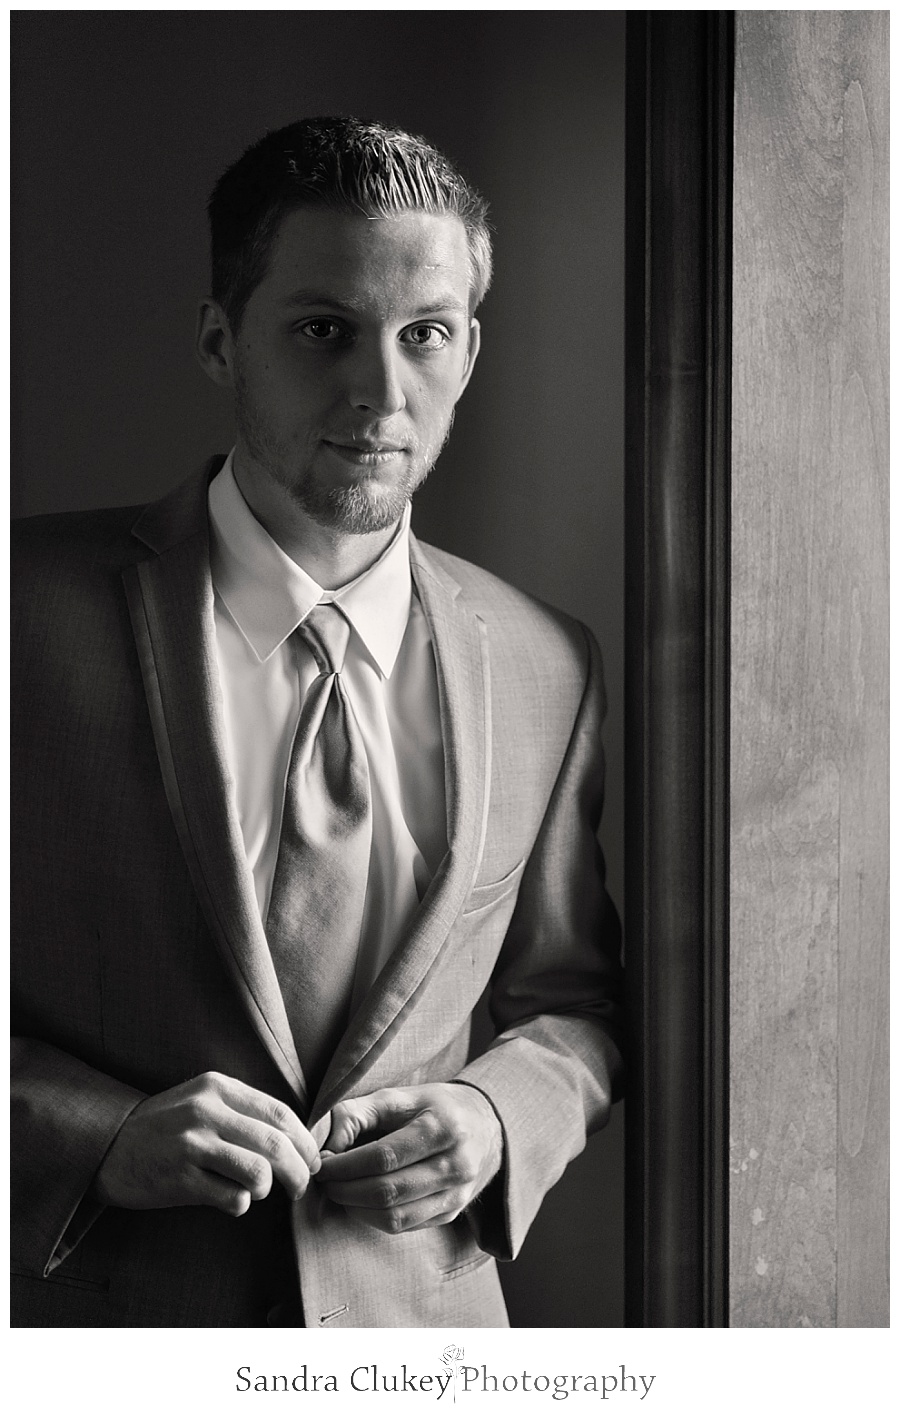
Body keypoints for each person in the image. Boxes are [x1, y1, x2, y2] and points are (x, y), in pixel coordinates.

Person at [11, 116, 623, 1328]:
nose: (381, 394)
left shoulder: (550, 663)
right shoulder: (18, 614)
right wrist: (95, 1138)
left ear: (470, 348)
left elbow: (573, 1007)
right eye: (323, 330)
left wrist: (500, 1118)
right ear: (218, 339)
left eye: (425, 336)